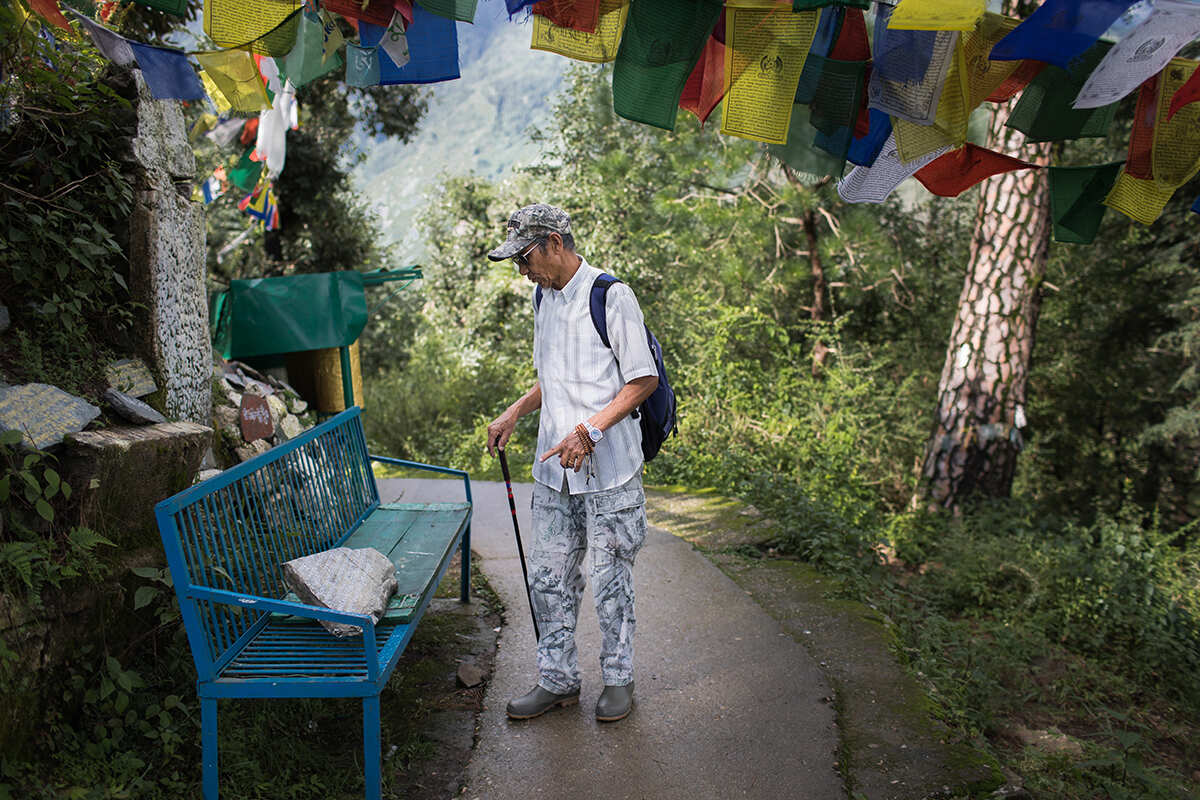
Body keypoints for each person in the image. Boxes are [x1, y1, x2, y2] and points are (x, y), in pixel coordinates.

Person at [485, 203, 658, 723]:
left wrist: (590, 429)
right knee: (547, 576)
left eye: (526, 258)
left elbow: (642, 379)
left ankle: (618, 680)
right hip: (554, 472)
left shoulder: (611, 296)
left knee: (610, 580)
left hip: (611, 472)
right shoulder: (543, 296)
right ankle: (557, 679)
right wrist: (517, 410)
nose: (522, 270)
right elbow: (558, 377)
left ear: (555, 244)